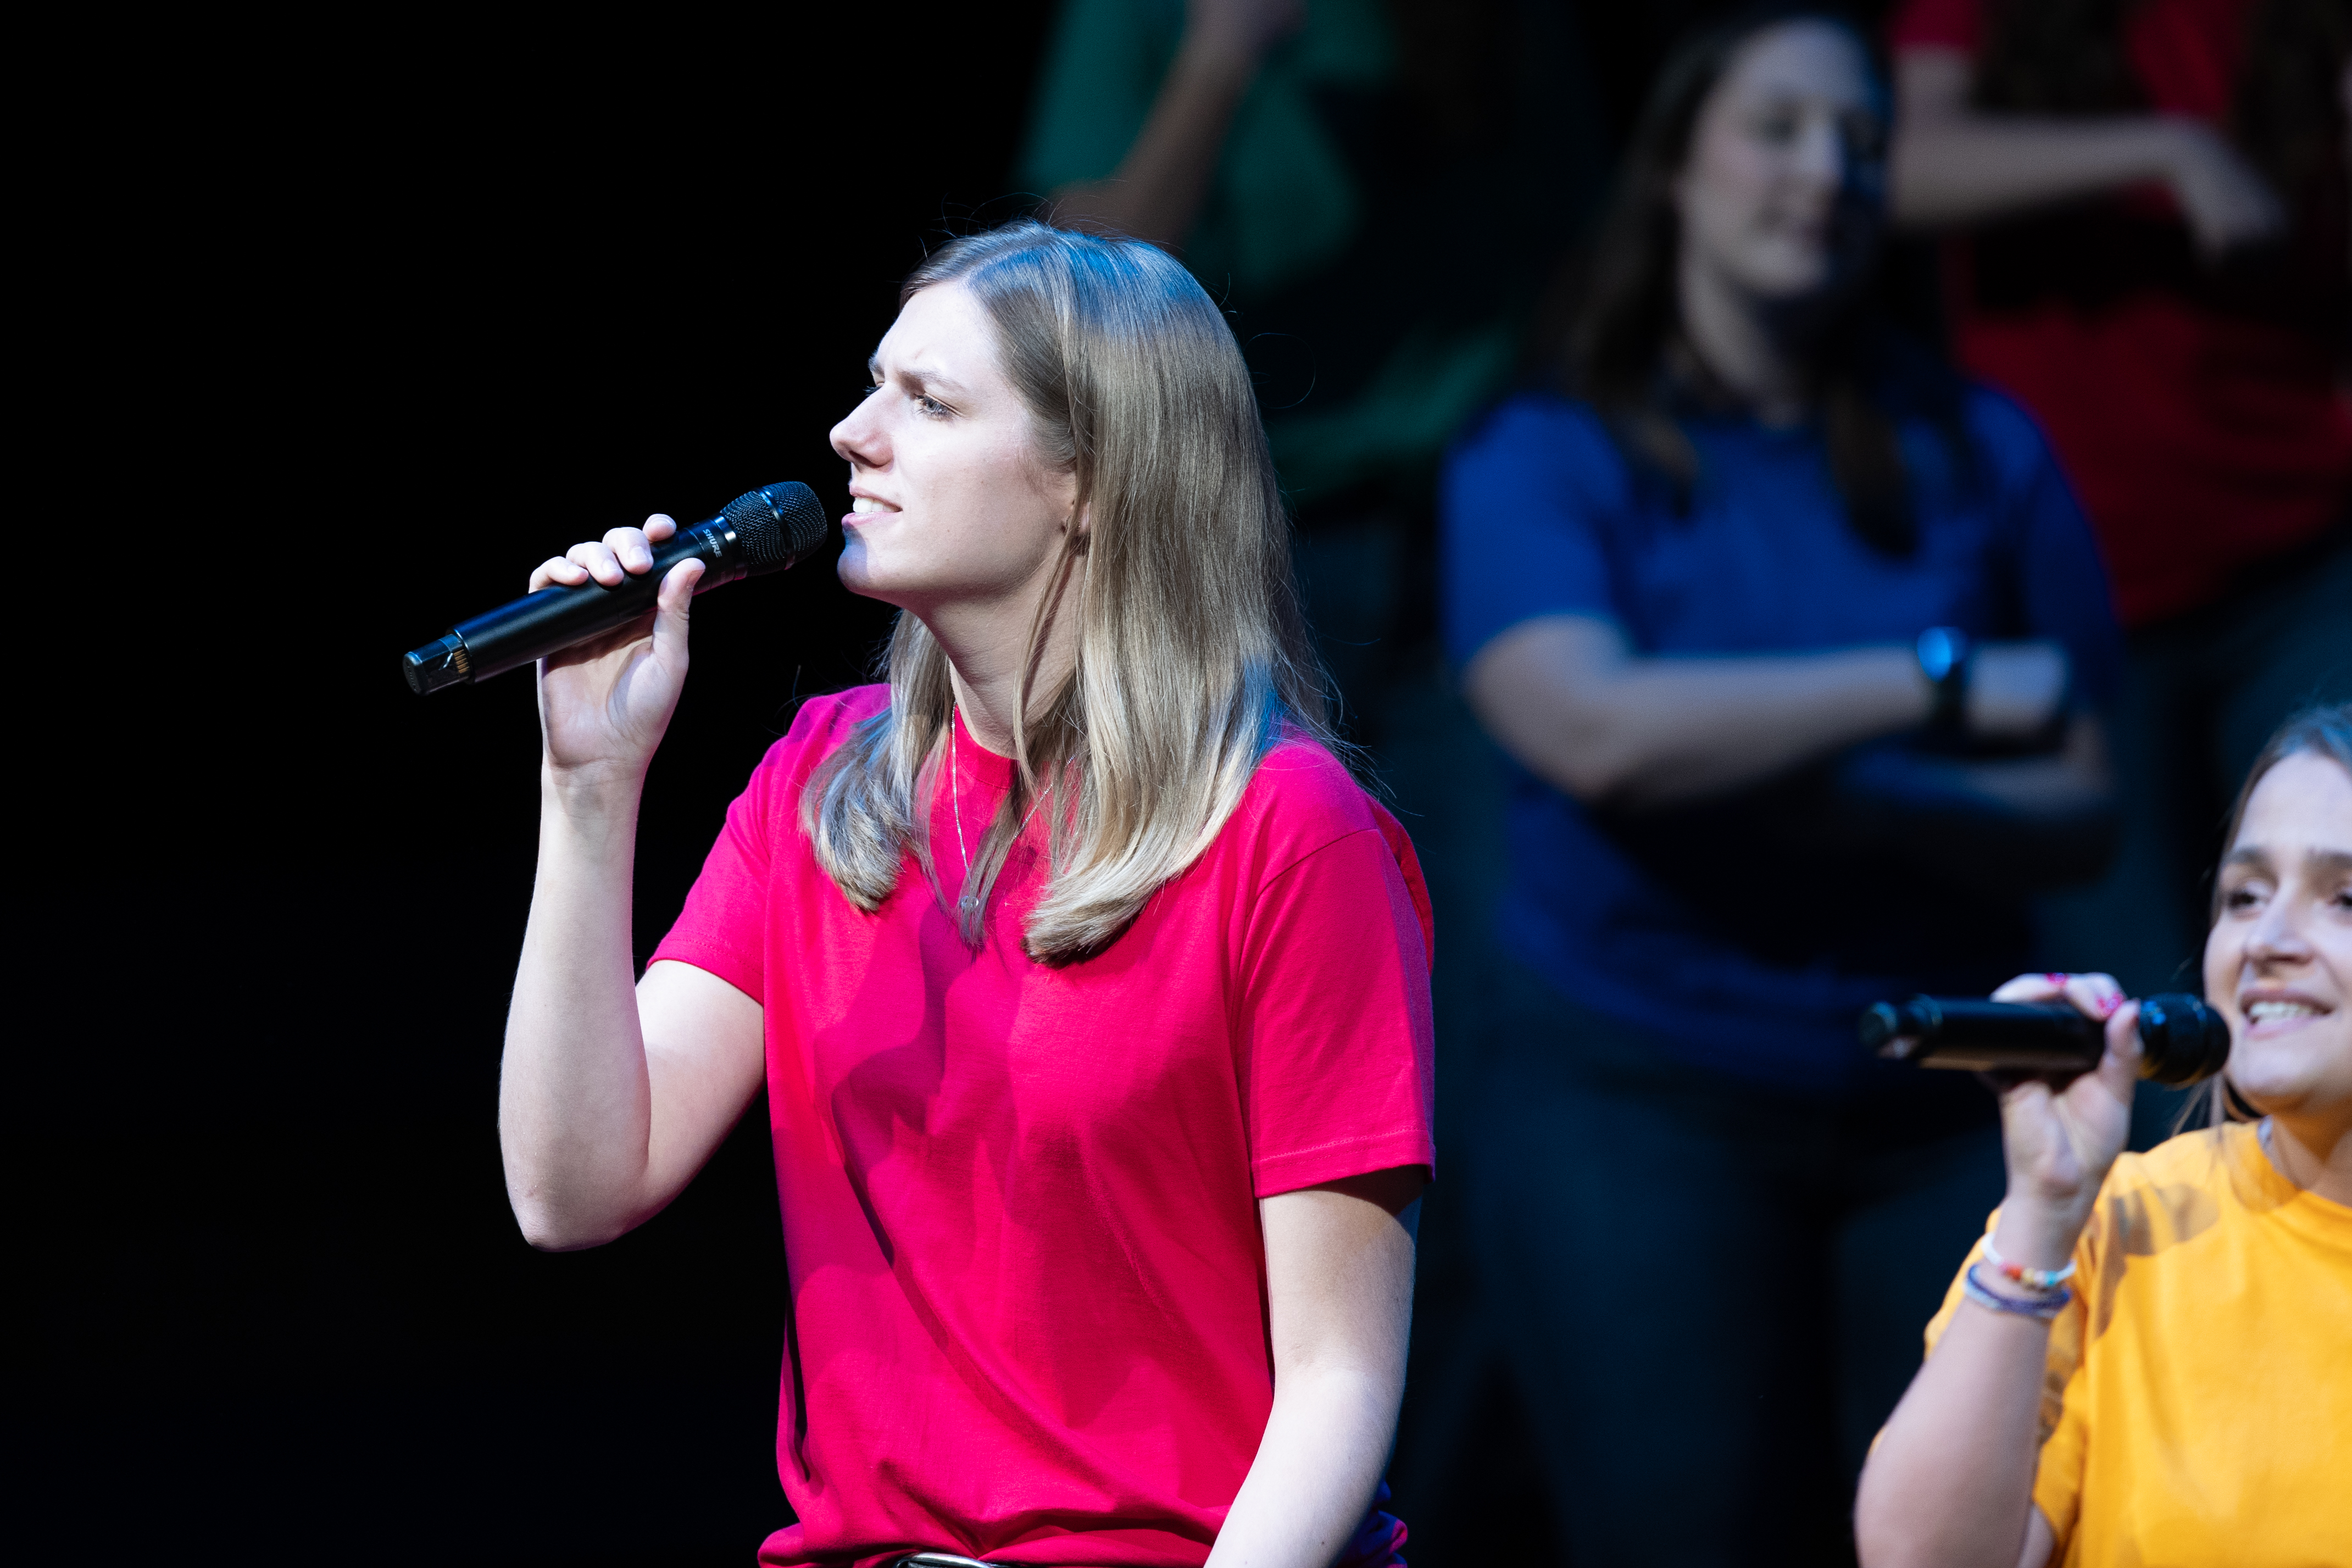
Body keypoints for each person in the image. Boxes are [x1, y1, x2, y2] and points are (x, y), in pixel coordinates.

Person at [497, 221, 1436, 1568]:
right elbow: (572, 1185)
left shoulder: (1284, 834)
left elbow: (1337, 1385)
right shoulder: (824, 785)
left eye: (926, 402)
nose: (849, 434)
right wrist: (587, 791)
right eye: (877, 384)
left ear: (1089, 481)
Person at [1439, 9, 2125, 1560]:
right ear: (1676, 160)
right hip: (1638, 1090)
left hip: (1944, 1099)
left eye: (1865, 139)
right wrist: (1928, 680)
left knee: (1972, 1530)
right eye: (1778, 127)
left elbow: (2085, 791)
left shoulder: (1978, 447)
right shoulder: (1545, 449)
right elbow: (1592, 728)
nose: (1828, 169)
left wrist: (1848, 797)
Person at [1887, 0, 2352, 1078]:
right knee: (2137, 1021)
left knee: (2330, 935)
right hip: (2079, 589)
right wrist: (2165, 149)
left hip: (2294, 542)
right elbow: (1903, 160)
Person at [1019, 0, 1604, 736]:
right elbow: (1082, 282)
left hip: (1460, 515)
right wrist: (1218, 57)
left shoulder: (1503, 22)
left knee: (1454, 842)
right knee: (1265, 828)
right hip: (1239, 527)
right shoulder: (1140, 14)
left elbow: (1574, 251)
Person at [1855, 703, 2352, 1568]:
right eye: (2243, 896)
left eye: (2344, 898)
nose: (2266, 941)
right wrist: (2043, 1209)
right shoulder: (2123, 1223)